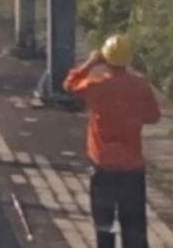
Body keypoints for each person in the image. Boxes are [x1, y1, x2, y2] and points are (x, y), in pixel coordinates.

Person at [64, 33, 162, 248]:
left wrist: (90, 62)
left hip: (103, 164)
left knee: (104, 222)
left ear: (105, 59)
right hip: (132, 166)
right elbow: (154, 117)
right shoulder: (140, 85)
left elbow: (70, 84)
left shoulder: (96, 85)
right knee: (134, 223)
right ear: (128, 59)